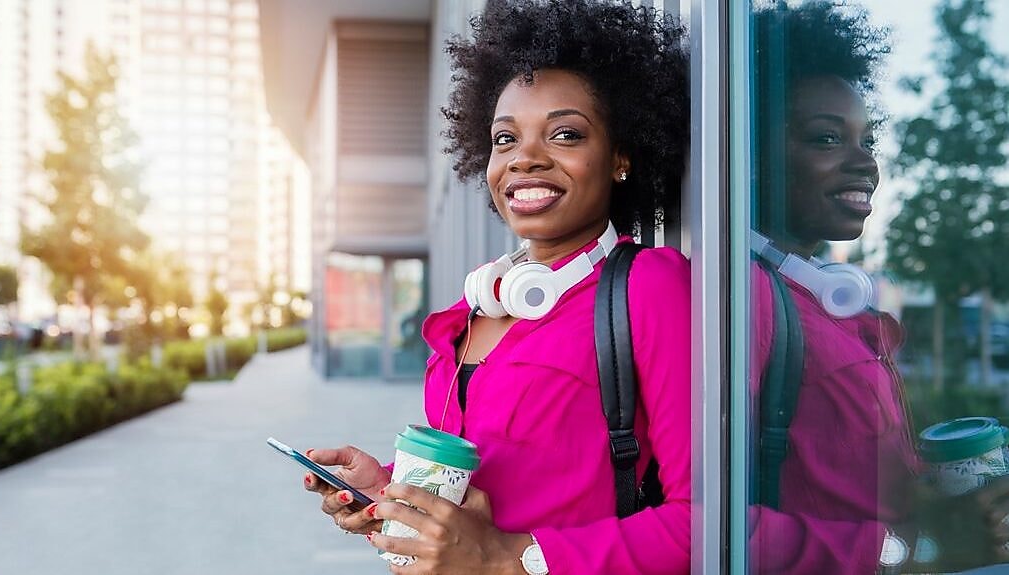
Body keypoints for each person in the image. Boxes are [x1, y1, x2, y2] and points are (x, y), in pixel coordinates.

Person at [302, 1, 692, 574]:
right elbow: (486, 492)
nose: (525, 159)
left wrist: (509, 558)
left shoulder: (648, 288)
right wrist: (388, 492)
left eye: (564, 134)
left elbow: (705, 521)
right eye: (504, 139)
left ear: (620, 158)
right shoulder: (476, 306)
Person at [747, 2, 1009, 573]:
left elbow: (858, 484)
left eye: (868, 140)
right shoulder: (743, 303)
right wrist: (922, 548)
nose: (865, 162)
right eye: (825, 138)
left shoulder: (826, 305)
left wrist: (949, 501)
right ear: (750, 155)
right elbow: (709, 524)